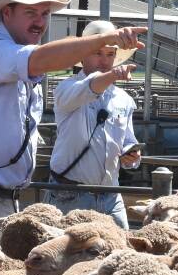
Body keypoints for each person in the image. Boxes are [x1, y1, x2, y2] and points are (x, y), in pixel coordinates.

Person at [0, 0, 145, 233]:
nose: (39, 22)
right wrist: (107, 39)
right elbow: (41, 59)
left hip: (1, 195)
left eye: (45, 14)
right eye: (30, 13)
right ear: (7, 14)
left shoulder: (121, 98)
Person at [45, 20, 141, 229]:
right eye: (97, 53)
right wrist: (113, 75)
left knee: (121, 253)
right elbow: (89, 88)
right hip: (71, 195)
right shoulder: (66, 88)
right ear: (83, 55)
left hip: (111, 194)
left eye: (110, 54)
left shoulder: (123, 99)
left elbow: (128, 142)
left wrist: (131, 156)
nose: (105, 61)